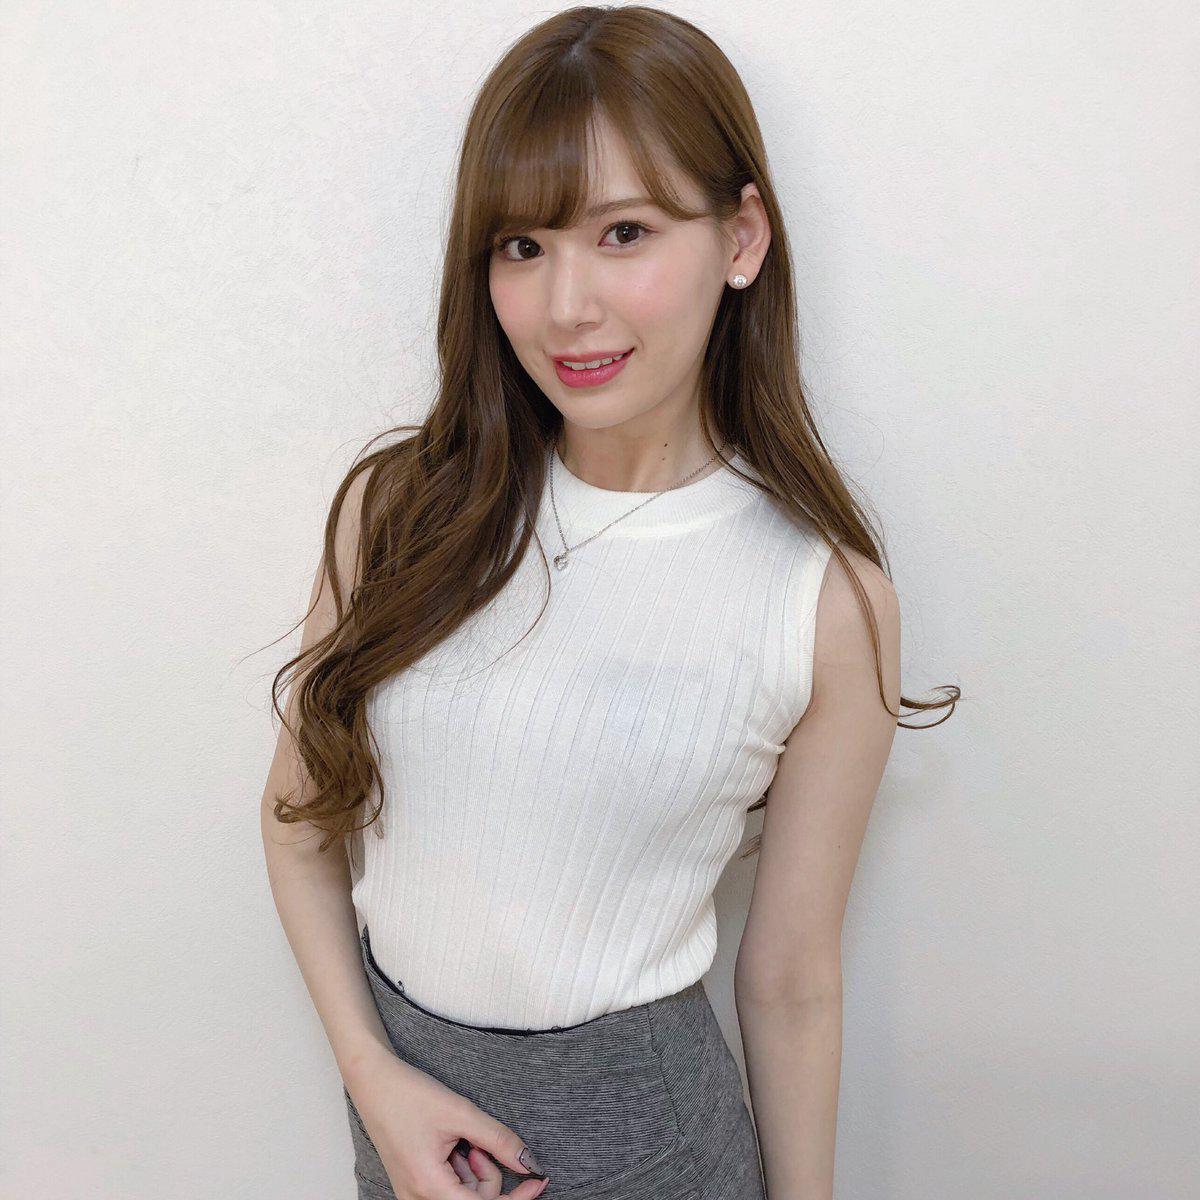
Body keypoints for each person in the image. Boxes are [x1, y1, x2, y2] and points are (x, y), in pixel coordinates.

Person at [260, 7, 957, 1199]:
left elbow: (791, 981)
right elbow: (297, 823)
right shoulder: (398, 513)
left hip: (653, 1147)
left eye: (623, 232)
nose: (565, 306)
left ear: (742, 238)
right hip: (403, 1135)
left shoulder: (824, 600)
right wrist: (375, 1078)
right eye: (522, 246)